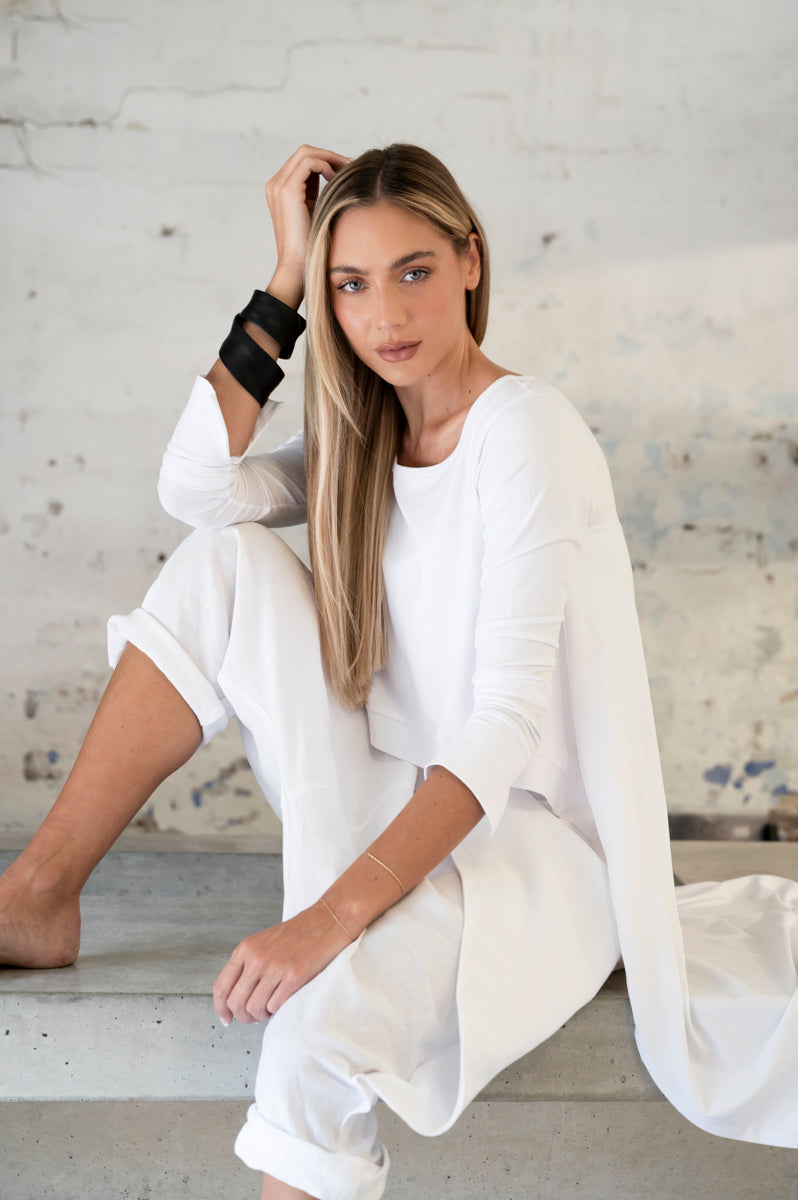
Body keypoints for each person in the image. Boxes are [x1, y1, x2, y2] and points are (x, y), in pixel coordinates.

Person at [1, 142, 797, 1199]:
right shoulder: (360, 434)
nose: (385, 314)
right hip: (387, 795)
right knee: (222, 564)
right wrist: (285, 277)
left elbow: (501, 727)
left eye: (414, 270)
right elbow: (194, 487)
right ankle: (38, 897)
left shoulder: (528, 432)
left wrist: (326, 922)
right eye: (351, 284)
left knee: (314, 1036)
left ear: (471, 261)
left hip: (531, 844)